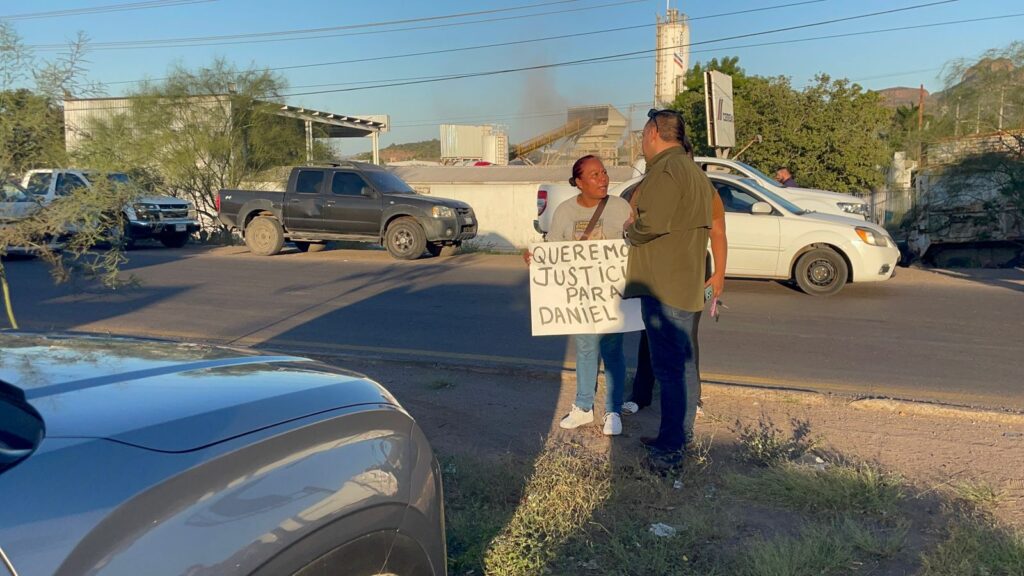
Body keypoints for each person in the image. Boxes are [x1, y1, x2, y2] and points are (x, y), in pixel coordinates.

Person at [623, 109, 714, 466]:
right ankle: (676, 437)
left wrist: (630, 230)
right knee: (683, 368)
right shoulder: (692, 170)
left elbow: (651, 223)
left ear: (653, 132)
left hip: (664, 286)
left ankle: (670, 451)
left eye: (643, 133)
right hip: (684, 281)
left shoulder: (665, 170)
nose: (642, 141)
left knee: (670, 372)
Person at [539, 155, 633, 436]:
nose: (602, 178)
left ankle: (613, 410)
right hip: (580, 295)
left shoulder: (621, 207)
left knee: (613, 351)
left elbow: (635, 243)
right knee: (586, 348)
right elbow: (553, 251)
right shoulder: (565, 212)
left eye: (603, 172)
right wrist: (536, 257)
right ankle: (583, 407)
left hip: (611, 294)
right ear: (578, 182)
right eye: (594, 175)